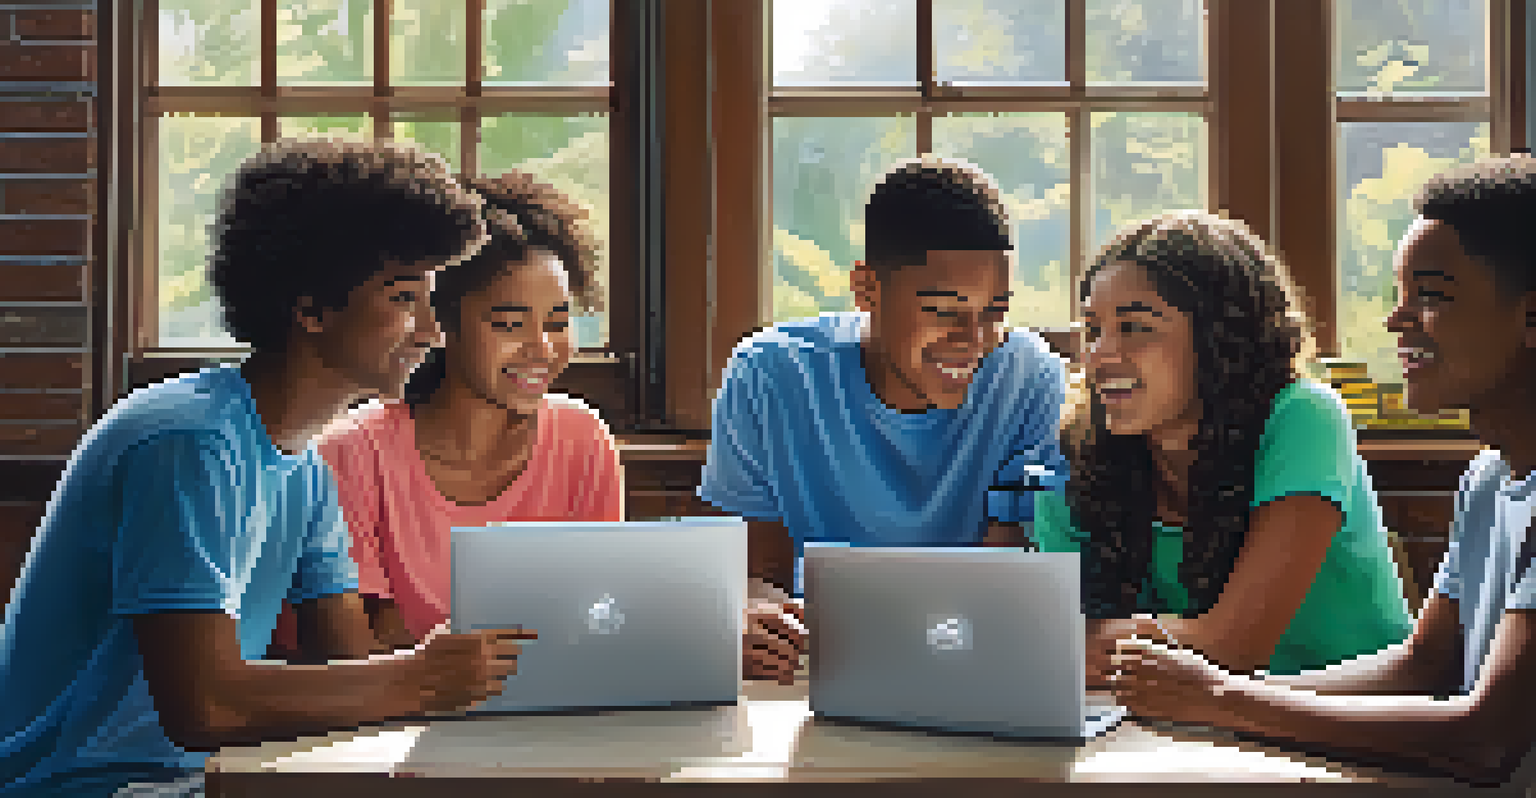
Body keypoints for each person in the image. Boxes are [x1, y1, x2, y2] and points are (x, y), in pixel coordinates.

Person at [0, 140, 536, 797]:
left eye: (431, 299)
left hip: (201, 782)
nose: (433, 330)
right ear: (310, 310)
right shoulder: (189, 443)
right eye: (403, 298)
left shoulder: (303, 462)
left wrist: (452, 670)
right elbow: (205, 705)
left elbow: (349, 665)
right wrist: (421, 677)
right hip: (89, 787)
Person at [1110, 157, 1536, 786]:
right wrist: (1200, 705)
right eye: (1400, 296)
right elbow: (1423, 668)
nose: (1397, 320)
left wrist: (1221, 702)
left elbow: (1484, 738)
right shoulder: (1488, 478)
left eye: (1432, 297)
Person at [699, 156, 1070, 683]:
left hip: (969, 667)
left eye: (994, 312)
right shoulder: (769, 376)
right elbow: (758, 576)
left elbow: (1006, 583)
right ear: (867, 289)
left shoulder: (1033, 381)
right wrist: (749, 610)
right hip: (818, 670)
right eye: (945, 311)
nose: (974, 341)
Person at [1033, 210, 1414, 683]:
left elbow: (1234, 645)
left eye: (1135, 328)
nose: (1100, 355)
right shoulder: (1079, 448)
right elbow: (1053, 639)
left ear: (1219, 340)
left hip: (1347, 717)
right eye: (1093, 330)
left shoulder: (1302, 415)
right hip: (1177, 722)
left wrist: (1081, 640)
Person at [266, 170, 622, 657]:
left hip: (540, 714)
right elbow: (355, 651)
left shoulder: (582, 437)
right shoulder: (352, 451)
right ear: (440, 323)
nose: (542, 348)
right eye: (509, 323)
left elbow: (599, 617)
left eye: (559, 322)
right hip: (384, 722)